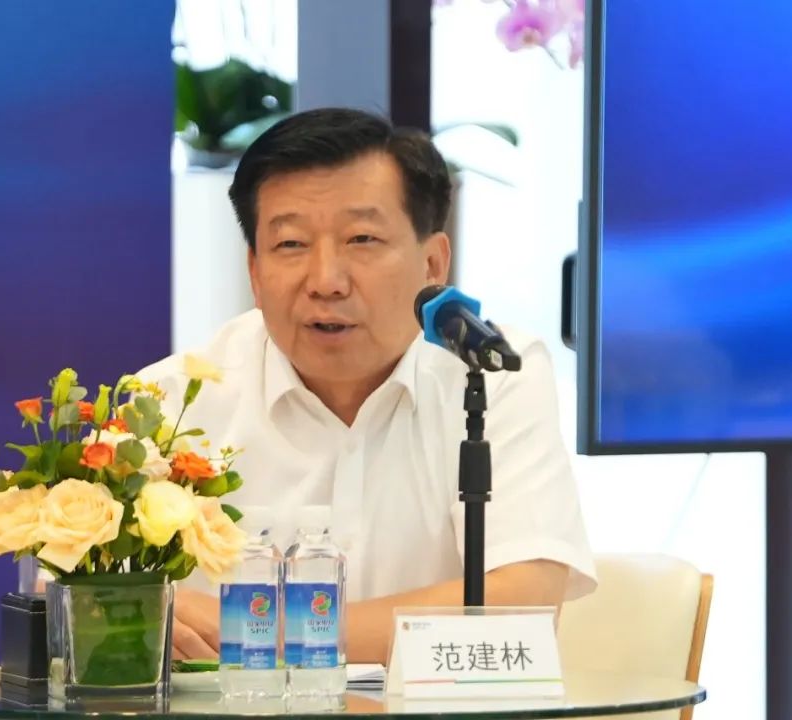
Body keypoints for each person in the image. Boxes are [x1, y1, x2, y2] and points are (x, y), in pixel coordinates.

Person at [136, 107, 596, 663]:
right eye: (291, 244)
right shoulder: (170, 403)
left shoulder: (489, 375)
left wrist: (255, 627)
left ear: (433, 264)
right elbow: (77, 596)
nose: (326, 281)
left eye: (362, 239)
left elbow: (523, 602)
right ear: (255, 273)